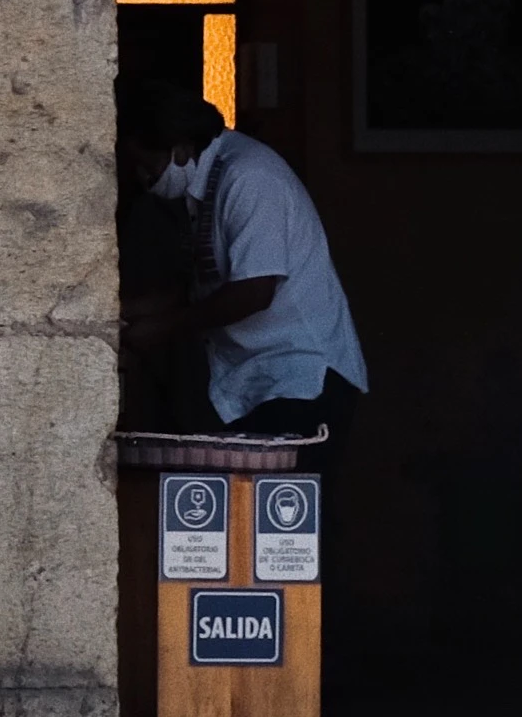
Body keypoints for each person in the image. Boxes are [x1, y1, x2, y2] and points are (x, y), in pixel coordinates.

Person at [118, 90, 368, 460]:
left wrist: (161, 328)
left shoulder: (249, 177)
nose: (143, 178)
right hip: (257, 383)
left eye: (146, 165)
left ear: (181, 150)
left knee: (293, 512)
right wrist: (123, 312)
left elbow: (254, 291)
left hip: (300, 380)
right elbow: (206, 288)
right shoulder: (205, 186)